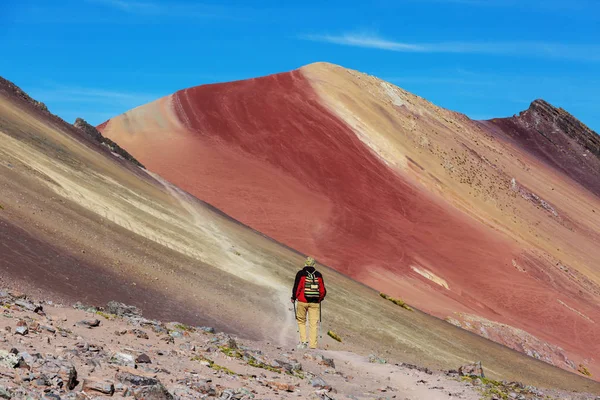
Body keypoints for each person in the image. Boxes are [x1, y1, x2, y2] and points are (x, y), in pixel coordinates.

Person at [291, 256, 326, 349]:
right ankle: (313, 346)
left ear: (305, 264)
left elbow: (296, 287)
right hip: (314, 303)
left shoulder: (300, 273)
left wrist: (294, 298)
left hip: (302, 301)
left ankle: (303, 342)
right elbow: (323, 291)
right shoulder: (318, 275)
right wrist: (319, 299)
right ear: (314, 264)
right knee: (313, 323)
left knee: (301, 321)